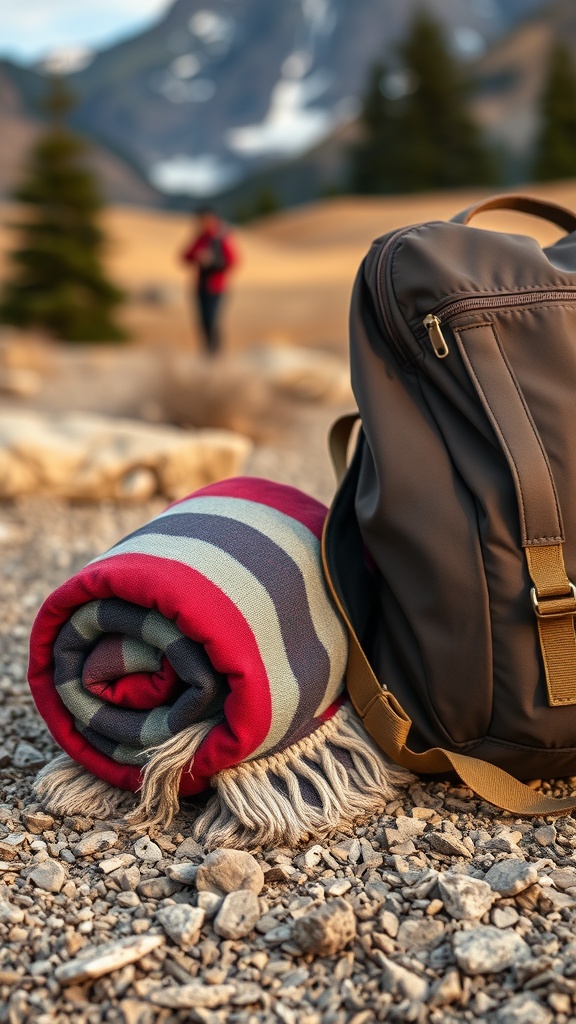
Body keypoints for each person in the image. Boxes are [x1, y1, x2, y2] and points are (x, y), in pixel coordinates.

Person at [181, 206, 238, 355]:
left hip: (216, 286)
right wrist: (198, 257)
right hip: (201, 286)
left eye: (203, 219)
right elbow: (185, 257)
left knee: (212, 321)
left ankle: (216, 354)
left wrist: (213, 261)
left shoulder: (221, 237)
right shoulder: (200, 237)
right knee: (202, 323)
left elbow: (233, 260)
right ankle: (207, 353)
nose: (201, 222)